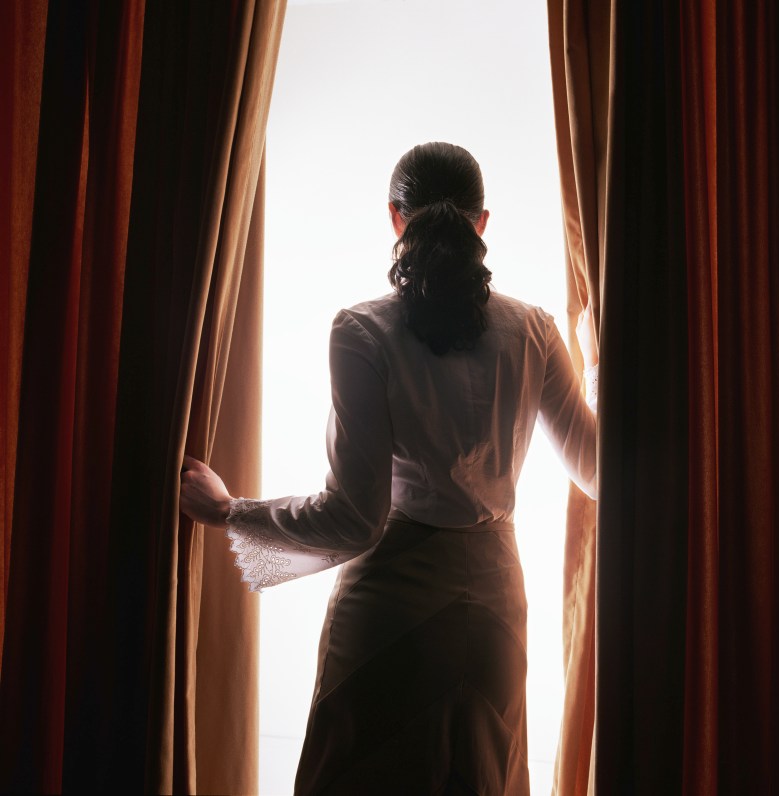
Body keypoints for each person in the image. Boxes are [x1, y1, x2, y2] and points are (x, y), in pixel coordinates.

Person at [180, 142, 598, 795]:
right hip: (495, 613)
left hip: (391, 613)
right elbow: (600, 473)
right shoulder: (535, 330)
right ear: (482, 223)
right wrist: (599, 370)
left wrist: (227, 511)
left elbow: (353, 518)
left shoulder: (361, 331)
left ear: (395, 219)